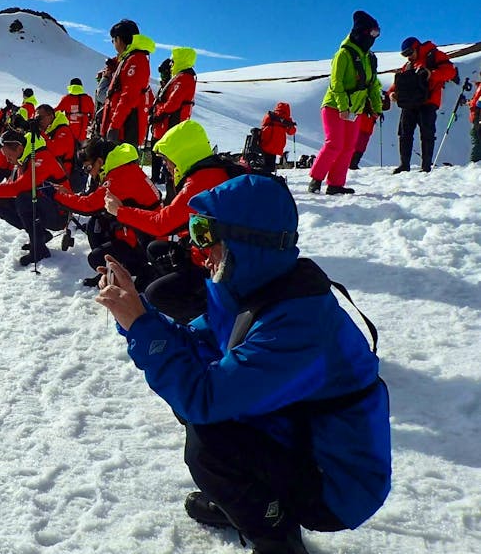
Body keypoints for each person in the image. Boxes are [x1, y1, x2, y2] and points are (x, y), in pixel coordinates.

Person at [95, 174, 391, 554]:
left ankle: (276, 538)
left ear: (250, 241)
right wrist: (140, 315)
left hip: (337, 484)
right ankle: (248, 502)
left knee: (209, 439)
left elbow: (204, 397)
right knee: (200, 406)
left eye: (206, 233)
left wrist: (140, 324)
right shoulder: (251, 290)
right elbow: (194, 347)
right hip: (299, 436)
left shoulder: (297, 324)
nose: (200, 248)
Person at [104, 120, 245, 322]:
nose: (168, 167)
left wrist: (120, 211)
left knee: (156, 294)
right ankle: (197, 298)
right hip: (224, 254)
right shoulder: (216, 170)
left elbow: (162, 223)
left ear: (182, 155)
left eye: (169, 160)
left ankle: (207, 319)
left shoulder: (200, 181)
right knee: (157, 249)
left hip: (221, 266)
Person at [53, 139, 161, 286]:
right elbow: (93, 198)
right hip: (140, 232)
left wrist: (57, 196)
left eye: (88, 167)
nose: (89, 172)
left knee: (95, 258)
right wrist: (68, 195)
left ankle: (144, 271)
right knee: (96, 223)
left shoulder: (119, 176)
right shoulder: (121, 167)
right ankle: (111, 271)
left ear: (99, 161)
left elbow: (89, 206)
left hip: (146, 242)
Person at [308, 11, 382, 195]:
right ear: (362, 32)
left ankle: (335, 184)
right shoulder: (343, 54)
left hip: (354, 110)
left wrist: (376, 108)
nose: (374, 38)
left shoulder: (370, 58)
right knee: (334, 144)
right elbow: (336, 83)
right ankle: (316, 180)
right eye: (372, 33)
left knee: (349, 148)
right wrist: (342, 106)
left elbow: (373, 85)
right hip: (334, 106)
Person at [0, 130, 68, 266]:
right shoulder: (24, 160)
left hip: (60, 213)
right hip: (45, 206)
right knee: (1, 204)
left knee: (24, 199)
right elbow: (11, 187)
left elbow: (18, 187)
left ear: (20, 148)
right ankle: (40, 236)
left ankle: (39, 250)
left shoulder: (41, 158)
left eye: (9, 155)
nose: (8, 160)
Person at [387, 37, 457, 173]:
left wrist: (431, 74)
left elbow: (450, 72)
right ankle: (404, 165)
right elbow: (399, 83)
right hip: (410, 102)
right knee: (404, 133)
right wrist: (392, 93)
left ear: (417, 47)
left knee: (427, 133)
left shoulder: (434, 56)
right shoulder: (408, 65)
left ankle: (426, 166)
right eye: (405, 54)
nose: (408, 56)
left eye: (409, 52)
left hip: (428, 101)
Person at [101, 19, 155, 148]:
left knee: (123, 166)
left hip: (125, 128)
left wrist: (114, 126)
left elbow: (129, 96)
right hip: (122, 127)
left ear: (119, 39)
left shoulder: (136, 60)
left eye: (113, 40)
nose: (113, 44)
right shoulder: (130, 58)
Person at [148, 57, 174, 188]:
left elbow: (168, 106)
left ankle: (164, 178)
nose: (162, 76)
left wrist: (157, 116)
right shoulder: (163, 87)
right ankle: (155, 176)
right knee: (155, 153)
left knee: (163, 154)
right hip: (157, 128)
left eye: (164, 73)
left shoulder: (171, 87)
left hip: (165, 127)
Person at [260, 102, 297, 174]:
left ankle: (264, 173)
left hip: (266, 141)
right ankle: (268, 175)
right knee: (271, 162)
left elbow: (263, 124)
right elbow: (291, 132)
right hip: (276, 144)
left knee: (266, 160)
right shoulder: (287, 119)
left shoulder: (270, 115)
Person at [56, 78, 96, 144]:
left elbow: (57, 111)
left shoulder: (66, 98)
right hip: (83, 132)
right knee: (82, 151)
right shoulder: (88, 99)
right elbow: (93, 114)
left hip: (69, 132)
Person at [93, 57, 119, 137]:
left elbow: (100, 95)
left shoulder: (112, 88)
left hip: (107, 125)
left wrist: (105, 78)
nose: (99, 82)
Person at [471, 80, 481, 163]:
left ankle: (476, 161)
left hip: (478, 116)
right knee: (476, 136)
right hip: (476, 115)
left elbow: (478, 103)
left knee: (477, 137)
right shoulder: (479, 87)